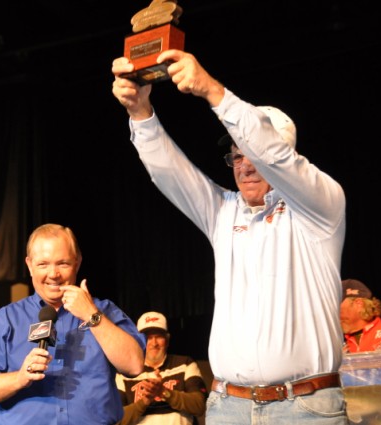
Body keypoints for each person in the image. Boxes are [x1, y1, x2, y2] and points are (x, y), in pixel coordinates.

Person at [111, 50, 348, 425]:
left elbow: (272, 153)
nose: (245, 166)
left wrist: (211, 90)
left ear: (286, 158)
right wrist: (141, 113)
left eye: (252, 155)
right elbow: (171, 173)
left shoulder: (320, 207)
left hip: (304, 408)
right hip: (229, 407)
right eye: (236, 157)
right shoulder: (225, 212)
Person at [0, 223, 146, 425]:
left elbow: (134, 365)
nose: (53, 274)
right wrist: (20, 378)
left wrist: (91, 315)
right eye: (43, 264)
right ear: (29, 265)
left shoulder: (105, 312)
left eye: (63, 264)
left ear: (77, 263)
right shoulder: (4, 321)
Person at [115, 311, 208, 425]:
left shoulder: (185, 364)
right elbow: (115, 420)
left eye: (158, 337)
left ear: (167, 340)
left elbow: (200, 406)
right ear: (139, 341)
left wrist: (164, 392)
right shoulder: (124, 373)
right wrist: (144, 402)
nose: (154, 343)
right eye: (148, 338)